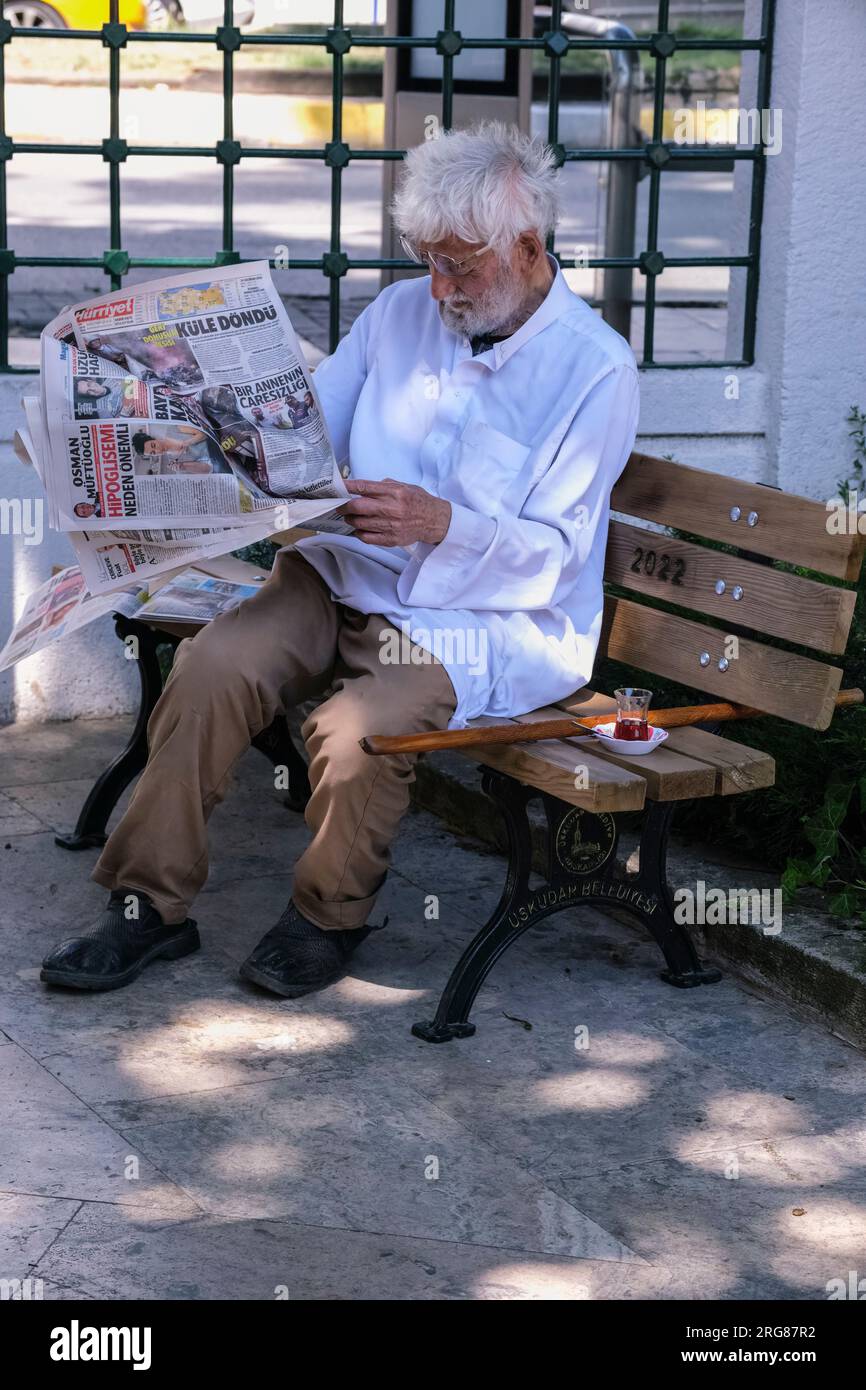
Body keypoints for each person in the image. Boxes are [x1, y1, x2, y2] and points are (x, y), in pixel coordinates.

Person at [40, 121, 640, 1000]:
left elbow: (555, 558)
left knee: (356, 730)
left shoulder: (596, 371)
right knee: (213, 668)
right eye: (426, 259)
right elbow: (308, 420)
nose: (438, 287)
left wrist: (442, 522)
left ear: (528, 245)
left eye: (459, 264)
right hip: (340, 570)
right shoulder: (404, 312)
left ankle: (330, 917)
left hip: (480, 619)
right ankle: (148, 906)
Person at [131, 426, 214, 475]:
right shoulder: (175, 462)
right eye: (153, 452)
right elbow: (208, 469)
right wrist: (184, 467)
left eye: (154, 445)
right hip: (218, 458)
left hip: (215, 439)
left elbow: (203, 432)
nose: (158, 450)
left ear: (155, 439)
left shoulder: (173, 430)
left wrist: (187, 442)